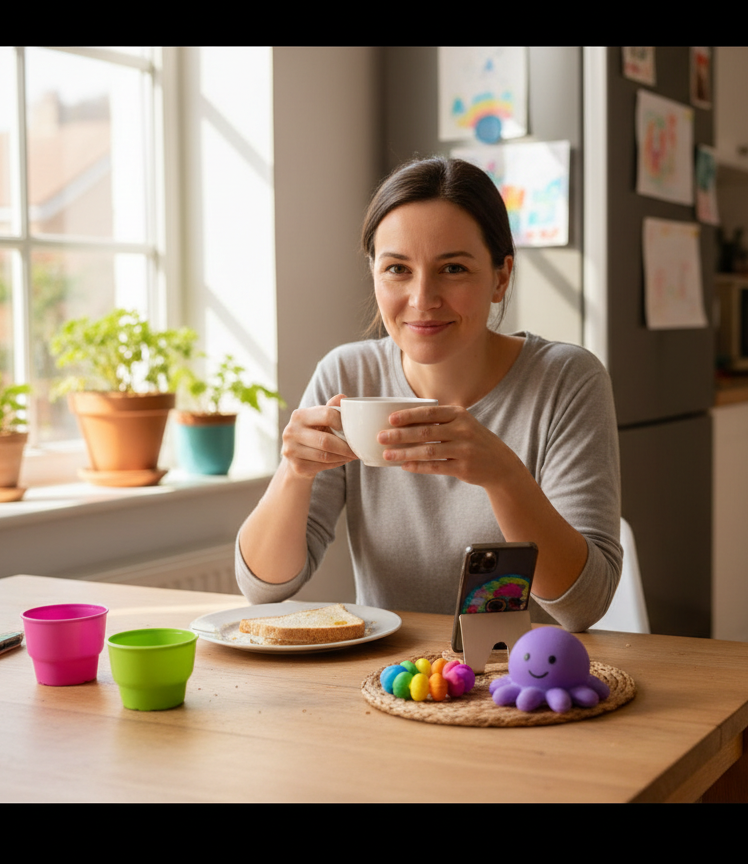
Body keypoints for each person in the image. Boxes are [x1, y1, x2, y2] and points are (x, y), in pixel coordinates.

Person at [235, 156, 622, 632]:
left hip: (527, 683)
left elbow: (584, 606)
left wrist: (505, 477)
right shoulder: (348, 374)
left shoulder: (566, 379)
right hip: (391, 682)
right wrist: (294, 473)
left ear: (501, 277)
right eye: (398, 269)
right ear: (375, 273)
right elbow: (263, 587)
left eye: (453, 268)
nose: (422, 299)